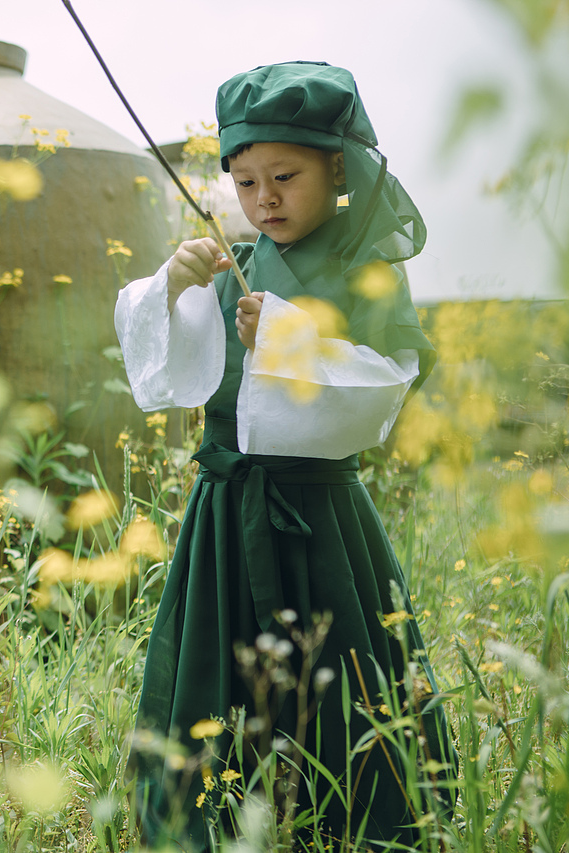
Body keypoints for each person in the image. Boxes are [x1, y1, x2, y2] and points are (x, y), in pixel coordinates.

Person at [115, 62, 455, 850]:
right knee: (216, 671)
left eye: (284, 176)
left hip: (321, 515)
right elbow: (171, 375)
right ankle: (209, 817)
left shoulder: (367, 266)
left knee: (342, 673)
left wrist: (290, 336)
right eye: (243, 181)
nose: (263, 198)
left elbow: (384, 385)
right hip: (227, 509)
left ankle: (351, 818)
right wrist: (173, 287)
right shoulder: (244, 261)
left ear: (336, 168)